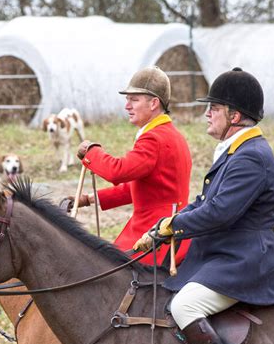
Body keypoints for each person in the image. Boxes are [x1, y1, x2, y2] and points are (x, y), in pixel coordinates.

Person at [133, 67, 274, 344]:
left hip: (246, 258)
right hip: (224, 253)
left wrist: (171, 227)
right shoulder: (234, 151)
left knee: (184, 306)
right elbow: (202, 202)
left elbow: (219, 213)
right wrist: (163, 227)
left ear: (235, 115)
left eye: (213, 108)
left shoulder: (251, 156)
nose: (207, 114)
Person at [71, 65, 192, 266]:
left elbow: (117, 171)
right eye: (127, 99)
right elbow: (139, 187)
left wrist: (91, 151)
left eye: (134, 100)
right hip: (169, 227)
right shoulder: (171, 134)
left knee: (104, 272)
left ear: (154, 103)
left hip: (155, 232)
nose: (127, 105)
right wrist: (88, 199)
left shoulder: (154, 139)